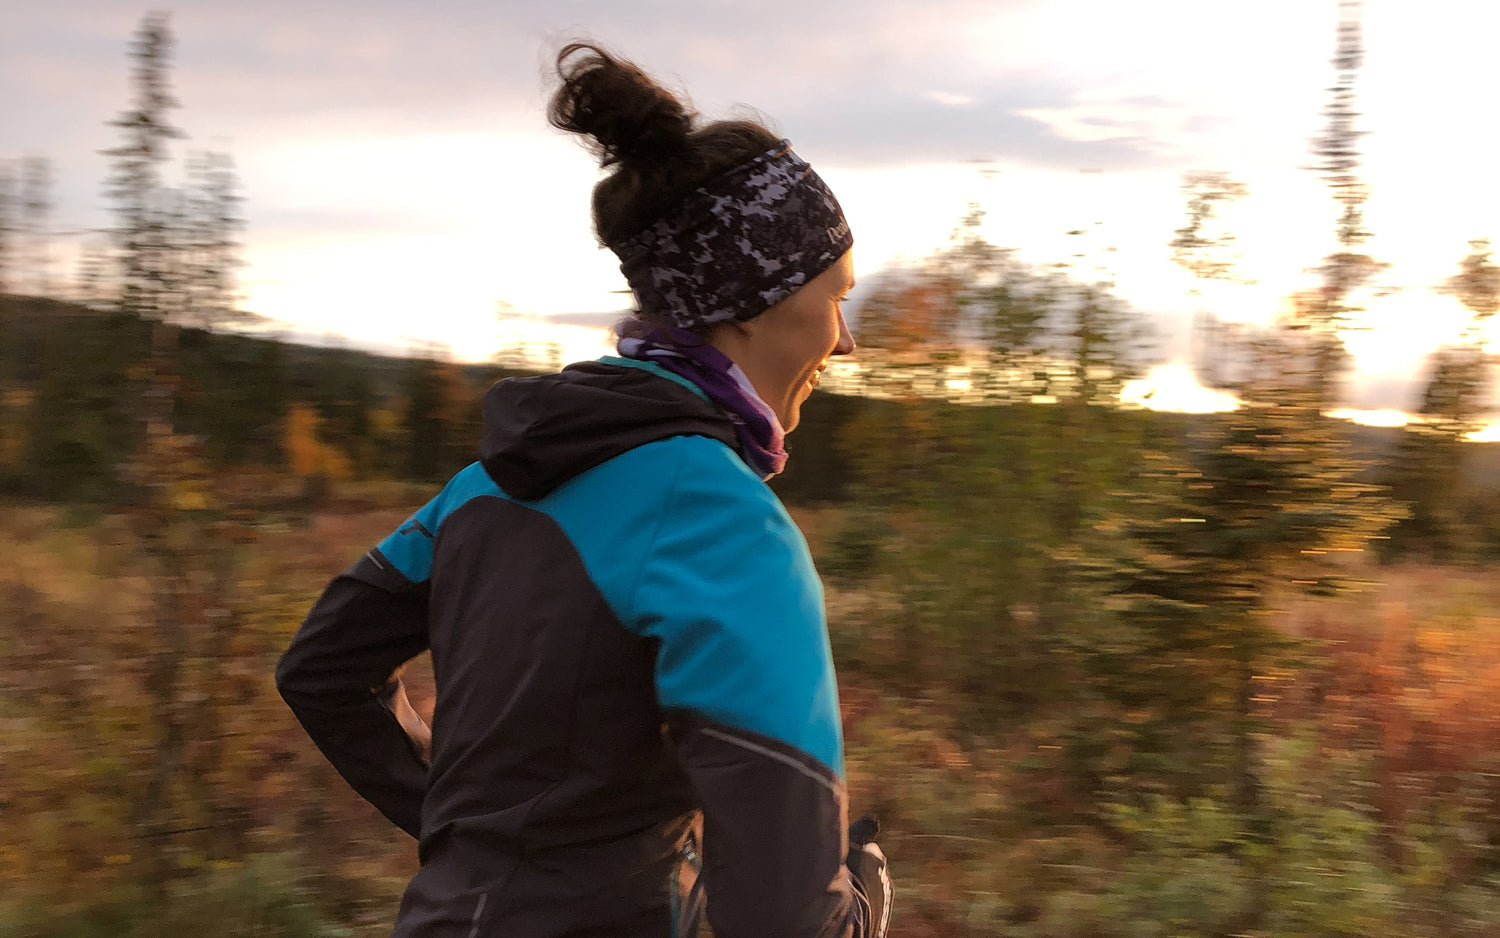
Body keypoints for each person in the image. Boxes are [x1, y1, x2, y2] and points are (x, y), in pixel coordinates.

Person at [276, 41, 892, 938]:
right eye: (837, 296)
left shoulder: (484, 485)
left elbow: (323, 669)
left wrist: (483, 840)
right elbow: (790, 922)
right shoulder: (726, 524)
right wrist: (865, 901)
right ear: (754, 300)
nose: (845, 343)